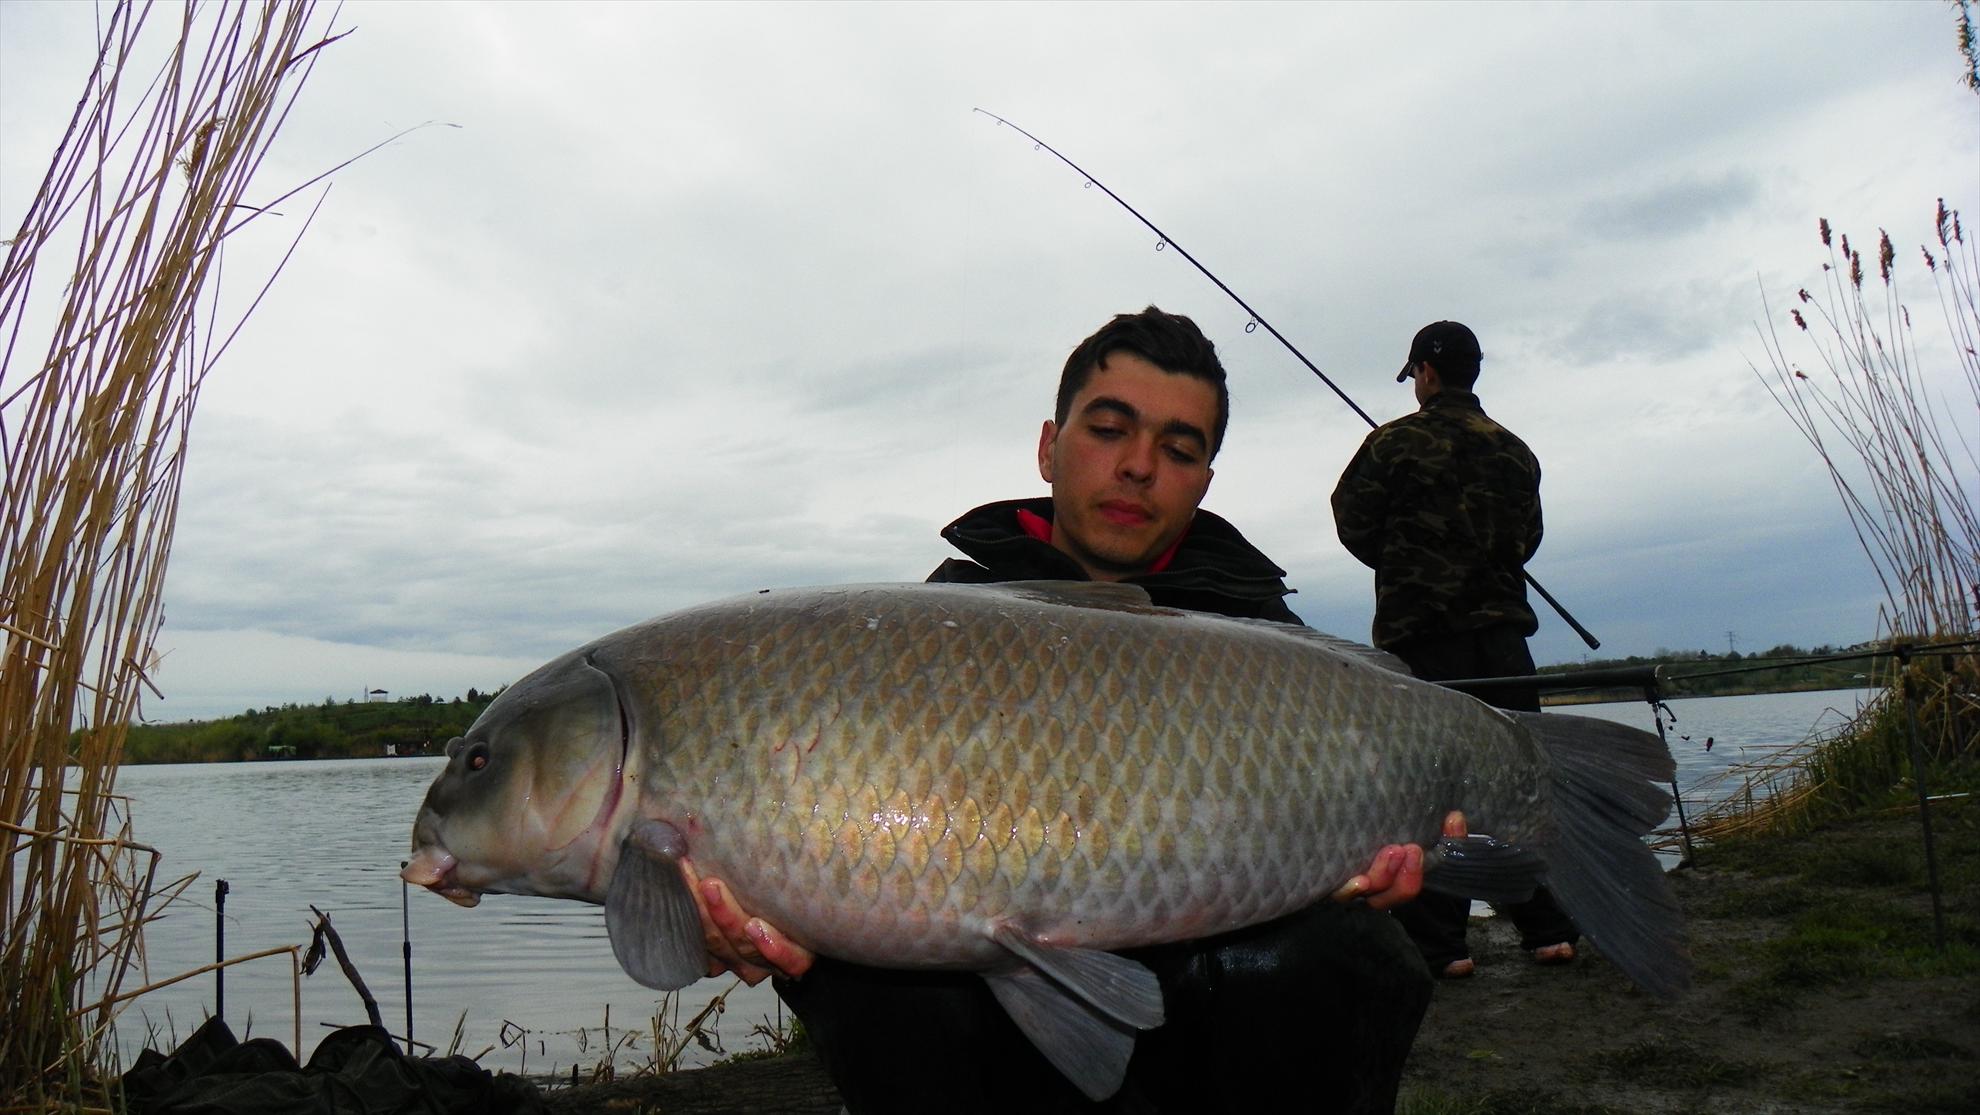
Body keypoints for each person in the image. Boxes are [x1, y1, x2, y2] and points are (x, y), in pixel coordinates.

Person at [685, 307, 1455, 1113]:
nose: (1139, 466)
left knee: (1344, 950)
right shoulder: (930, 627)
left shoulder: (1269, 647)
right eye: (1111, 428)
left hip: (1205, 1021)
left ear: (1203, 479)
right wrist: (743, 900)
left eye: (1179, 448)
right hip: (988, 1024)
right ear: (1050, 446)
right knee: (870, 967)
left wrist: (1366, 871)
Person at [1329, 319, 1579, 979]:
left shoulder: (1392, 444)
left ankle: (1445, 947)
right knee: (1526, 781)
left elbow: (1351, 522)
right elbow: (1528, 537)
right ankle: (1551, 929)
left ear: (1427, 373)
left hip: (1422, 642)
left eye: (1414, 374)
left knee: (1427, 791)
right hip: (1503, 642)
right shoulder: (1516, 451)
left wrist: (1403, 557)